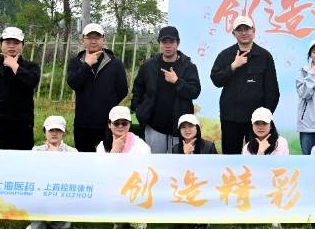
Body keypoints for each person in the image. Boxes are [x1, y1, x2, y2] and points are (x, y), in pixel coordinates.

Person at [209, 16, 280, 154]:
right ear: (233, 33)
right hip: (230, 118)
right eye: (239, 30)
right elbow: (216, 80)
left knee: (257, 156)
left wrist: (264, 116)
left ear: (253, 31)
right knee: (230, 157)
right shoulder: (225, 55)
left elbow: (272, 91)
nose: (243, 33)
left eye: (247, 29)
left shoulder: (265, 56)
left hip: (256, 121)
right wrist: (233, 66)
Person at [132, 25, 202, 154]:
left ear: (178, 43)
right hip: (154, 126)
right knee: (155, 162)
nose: (168, 46)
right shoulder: (148, 65)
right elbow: (138, 89)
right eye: (164, 42)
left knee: (177, 163)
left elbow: (195, 91)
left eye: (171, 42)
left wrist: (177, 81)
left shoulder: (188, 66)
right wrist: (139, 109)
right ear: (159, 43)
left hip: (180, 127)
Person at [66, 23, 129, 153]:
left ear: (103, 39)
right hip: (83, 124)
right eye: (89, 37)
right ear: (83, 40)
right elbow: (73, 83)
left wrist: (106, 103)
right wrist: (87, 65)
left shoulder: (115, 63)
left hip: (108, 124)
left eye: (97, 37)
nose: (93, 41)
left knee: (108, 158)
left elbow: (122, 90)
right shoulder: (76, 62)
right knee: (84, 159)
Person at [0, 26, 41, 150]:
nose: (11, 46)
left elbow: (32, 81)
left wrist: (14, 66)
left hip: (21, 127)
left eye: (16, 43)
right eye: (8, 42)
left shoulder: (31, 67)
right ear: (1, 44)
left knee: (21, 160)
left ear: (22, 45)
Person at [96, 106, 150, 229]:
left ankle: (133, 215)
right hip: (112, 190)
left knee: (139, 227)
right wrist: (114, 151)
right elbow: (101, 173)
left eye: (124, 123)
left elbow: (143, 172)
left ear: (129, 124)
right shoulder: (102, 146)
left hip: (133, 189)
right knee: (118, 222)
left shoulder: (141, 145)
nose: (120, 126)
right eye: (116, 123)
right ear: (109, 125)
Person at [22, 115, 77, 229]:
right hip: (41, 192)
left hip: (62, 193)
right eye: (51, 130)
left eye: (58, 130)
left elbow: (71, 175)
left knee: (64, 226)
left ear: (64, 133)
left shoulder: (72, 152)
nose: (54, 133)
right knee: (38, 228)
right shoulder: (36, 150)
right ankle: (37, 223)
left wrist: (55, 154)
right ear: (45, 132)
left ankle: (56, 221)